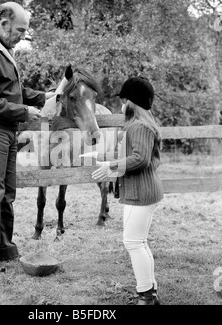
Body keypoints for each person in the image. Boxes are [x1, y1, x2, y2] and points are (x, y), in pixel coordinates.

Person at [0, 2, 57, 273]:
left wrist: (43, 97)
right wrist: (25, 111)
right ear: (3, 24)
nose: (22, 36)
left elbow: (12, 91)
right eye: (20, 30)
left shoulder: (4, 51)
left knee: (6, 194)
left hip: (5, 130)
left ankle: (2, 249)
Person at [90, 77, 164, 305]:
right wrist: (107, 161)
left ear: (132, 102)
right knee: (139, 243)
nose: (121, 106)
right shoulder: (141, 124)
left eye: (123, 100)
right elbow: (135, 156)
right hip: (143, 190)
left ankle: (145, 297)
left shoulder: (139, 125)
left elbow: (139, 159)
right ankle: (149, 292)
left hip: (140, 192)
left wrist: (110, 166)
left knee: (133, 243)